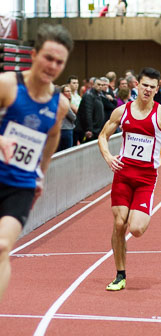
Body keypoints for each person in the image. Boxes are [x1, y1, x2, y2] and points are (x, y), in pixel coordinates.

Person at [0, 23, 73, 300]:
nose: (53, 66)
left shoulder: (58, 103)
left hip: (20, 185)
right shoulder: (8, 85)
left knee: (3, 246)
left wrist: (40, 174)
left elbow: (53, 135)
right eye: (48, 57)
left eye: (59, 62)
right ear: (33, 55)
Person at [98, 67, 161, 291]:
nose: (147, 89)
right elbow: (103, 136)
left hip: (146, 179)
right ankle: (120, 274)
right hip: (123, 175)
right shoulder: (122, 111)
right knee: (118, 223)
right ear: (137, 85)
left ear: (157, 89)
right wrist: (107, 156)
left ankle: (139, 213)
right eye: (144, 85)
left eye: (152, 87)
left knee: (135, 229)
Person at [77, 78, 105, 142]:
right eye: (98, 84)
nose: (100, 86)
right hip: (91, 131)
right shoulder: (89, 95)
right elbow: (87, 113)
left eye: (102, 85)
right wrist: (89, 129)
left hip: (97, 129)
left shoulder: (99, 95)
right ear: (93, 85)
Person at [57, 85, 76, 151]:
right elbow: (73, 117)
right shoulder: (64, 103)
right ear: (62, 93)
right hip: (66, 130)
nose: (69, 93)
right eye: (67, 91)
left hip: (60, 129)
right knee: (67, 152)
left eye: (70, 91)